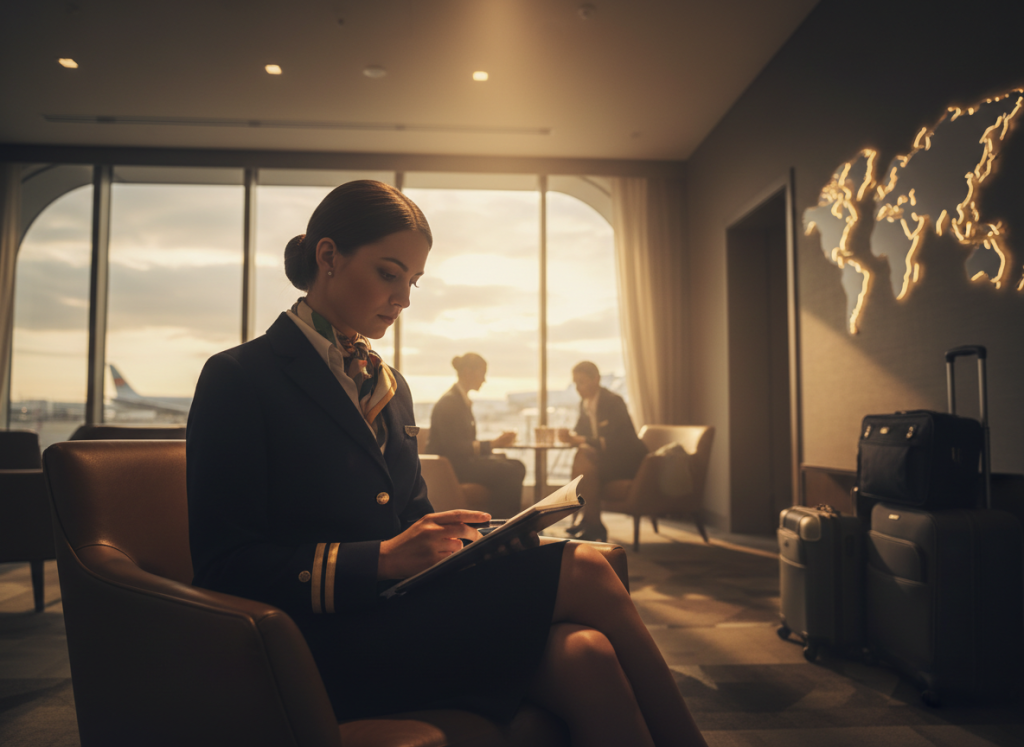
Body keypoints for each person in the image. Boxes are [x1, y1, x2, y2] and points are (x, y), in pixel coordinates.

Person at [186, 180, 707, 747]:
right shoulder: (239, 378)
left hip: (401, 615)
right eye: (389, 273)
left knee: (588, 653)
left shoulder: (391, 385)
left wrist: (472, 541)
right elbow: (224, 566)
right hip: (316, 638)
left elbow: (410, 518)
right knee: (585, 568)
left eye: (412, 281)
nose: (404, 299)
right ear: (328, 256)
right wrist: (381, 559)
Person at [558, 361, 649, 542]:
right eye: (575, 383)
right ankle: (591, 522)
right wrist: (569, 436)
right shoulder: (585, 403)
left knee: (585, 463)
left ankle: (591, 522)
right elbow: (581, 432)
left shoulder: (614, 402)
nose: (578, 388)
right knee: (584, 460)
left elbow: (618, 441)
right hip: (607, 459)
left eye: (581, 382)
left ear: (596, 379)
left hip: (627, 461)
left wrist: (580, 440)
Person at [427, 353, 525, 518]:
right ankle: (500, 522)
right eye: (482, 373)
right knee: (512, 470)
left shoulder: (457, 400)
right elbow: (454, 447)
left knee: (516, 465)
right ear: (468, 372)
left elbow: (462, 444)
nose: (484, 380)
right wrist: (494, 444)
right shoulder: (450, 403)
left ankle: (499, 519)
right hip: (452, 467)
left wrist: (494, 446)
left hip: (458, 462)